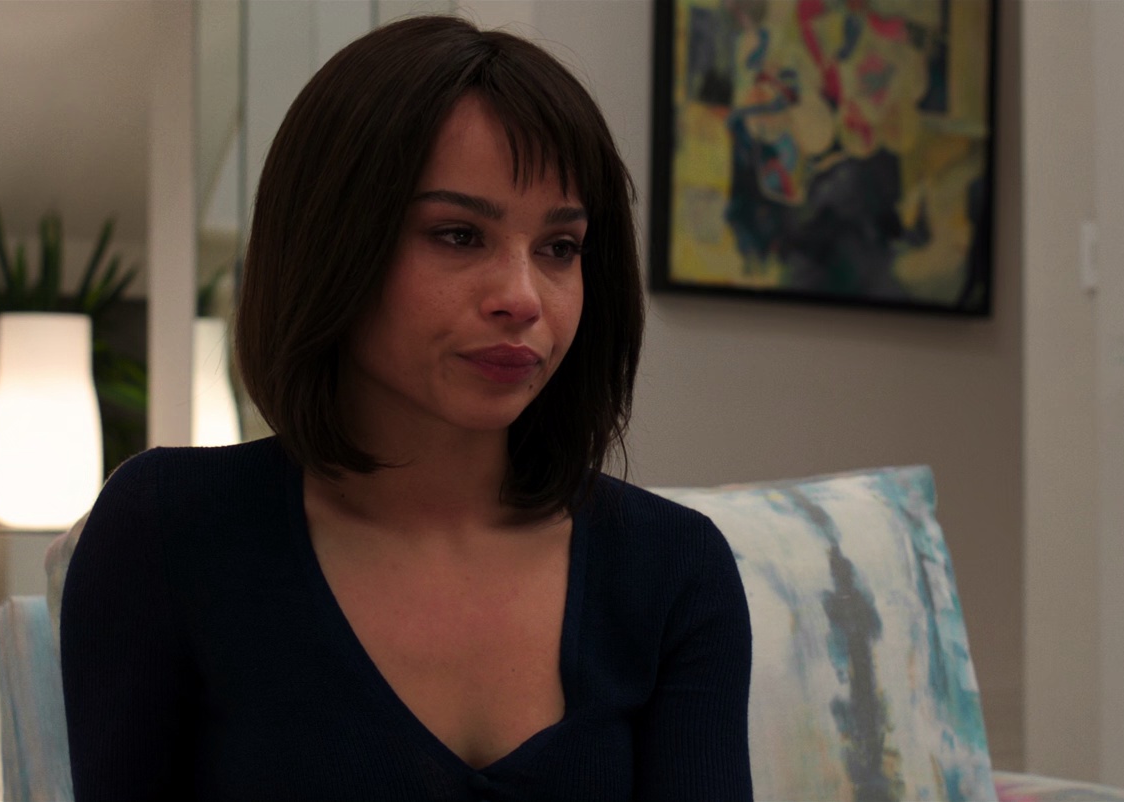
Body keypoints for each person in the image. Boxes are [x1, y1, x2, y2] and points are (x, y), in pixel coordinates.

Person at [60, 15, 752, 801]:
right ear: (331, 242)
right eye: (458, 235)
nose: (522, 297)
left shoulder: (674, 569)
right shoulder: (169, 530)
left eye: (559, 248)